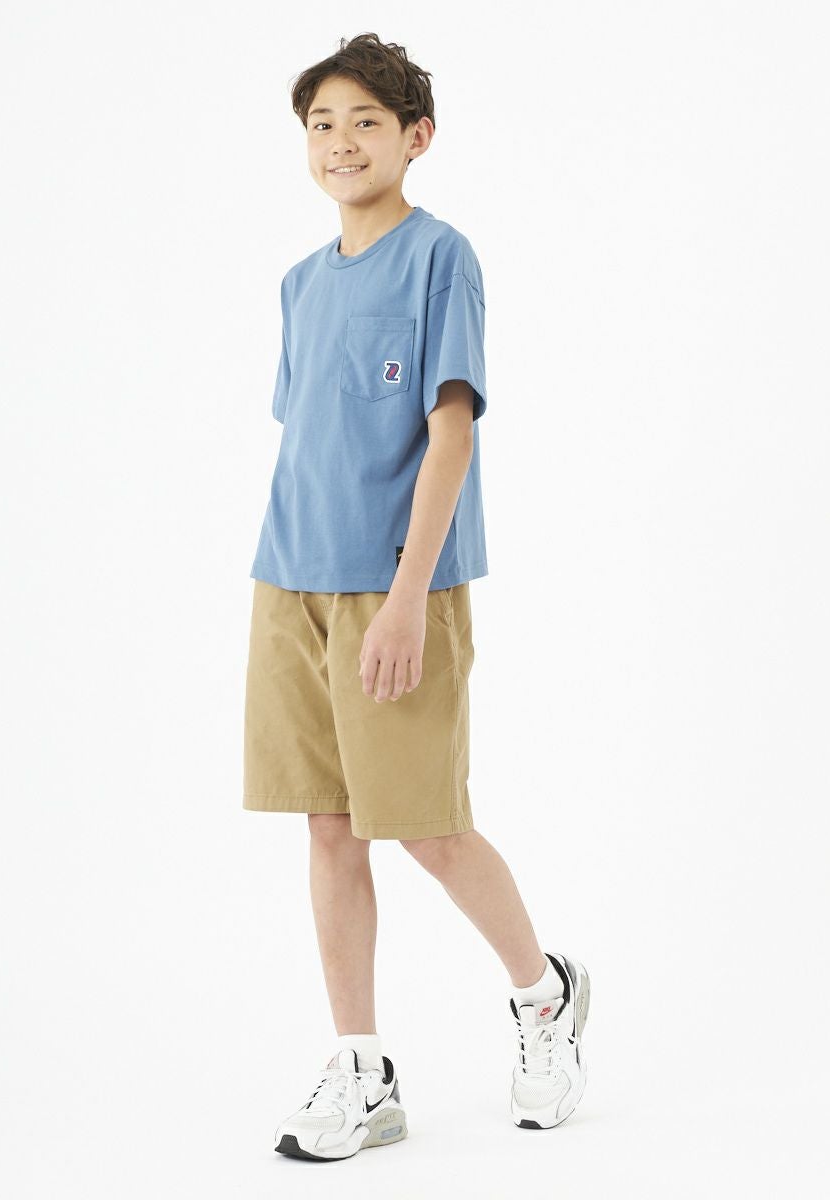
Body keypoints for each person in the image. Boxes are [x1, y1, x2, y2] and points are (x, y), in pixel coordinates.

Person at [242, 32, 591, 1161]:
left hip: (399, 590)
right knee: (329, 825)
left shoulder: (442, 258)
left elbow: (451, 438)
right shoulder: (299, 285)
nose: (340, 143)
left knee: (428, 826)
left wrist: (403, 601)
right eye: (321, 124)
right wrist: (290, 590)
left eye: (365, 122)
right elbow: (310, 438)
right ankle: (362, 1068)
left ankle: (543, 997)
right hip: (290, 582)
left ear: (415, 137)